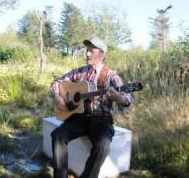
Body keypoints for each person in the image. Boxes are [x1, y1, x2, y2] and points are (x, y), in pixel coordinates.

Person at [50, 36, 133, 178]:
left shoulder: (111, 76)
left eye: (91, 51)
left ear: (102, 54)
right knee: (57, 135)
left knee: (103, 146)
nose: (87, 54)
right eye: (86, 50)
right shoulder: (79, 72)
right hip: (79, 118)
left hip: (101, 120)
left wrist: (117, 97)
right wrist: (57, 96)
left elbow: (127, 100)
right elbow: (56, 83)